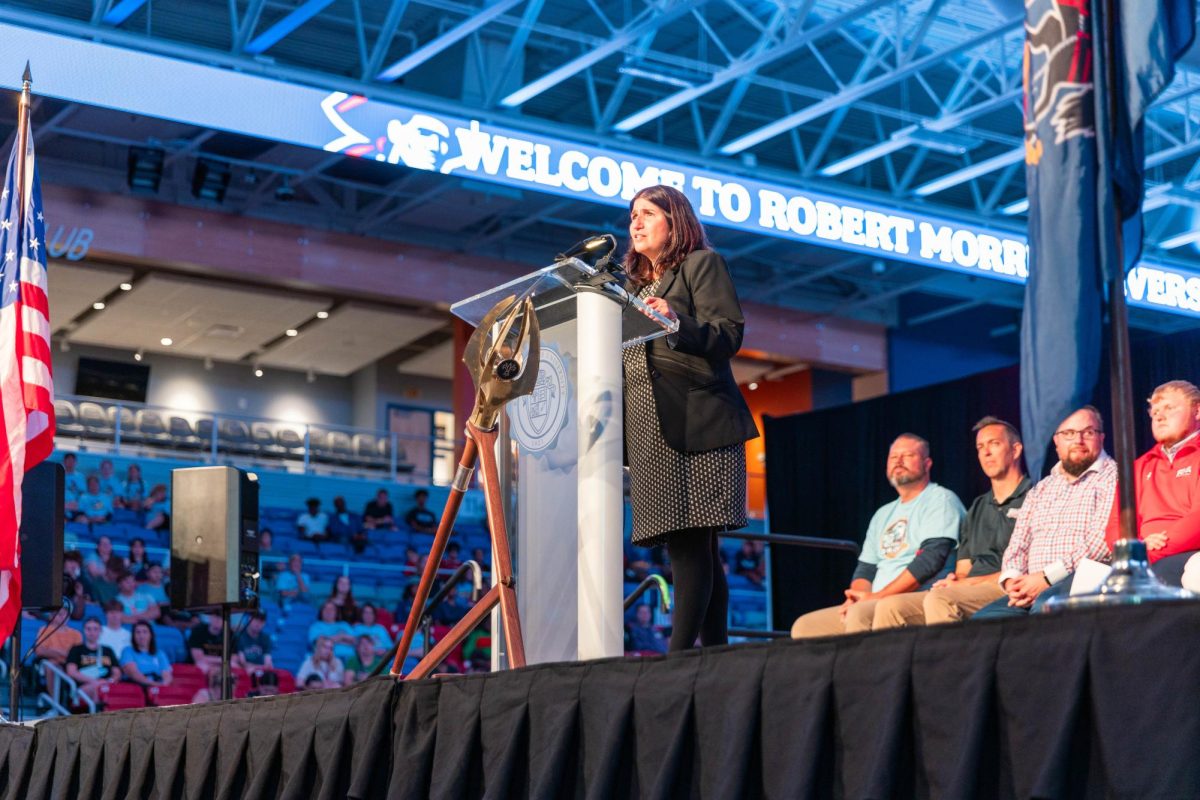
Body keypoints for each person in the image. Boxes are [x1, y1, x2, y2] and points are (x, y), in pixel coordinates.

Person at [620, 185, 759, 652]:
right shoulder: (633, 290)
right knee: (695, 547)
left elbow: (727, 335)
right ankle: (714, 654)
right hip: (648, 431)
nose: (635, 223)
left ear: (674, 221)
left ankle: (678, 657)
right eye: (632, 215)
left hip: (697, 423)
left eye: (647, 214)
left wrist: (676, 319)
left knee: (691, 541)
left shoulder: (701, 265)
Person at [791, 434, 964, 637]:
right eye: (893, 457)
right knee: (805, 627)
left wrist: (877, 597)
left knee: (862, 614)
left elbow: (931, 560)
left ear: (927, 464)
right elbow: (866, 569)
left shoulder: (940, 499)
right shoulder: (883, 513)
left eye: (907, 455)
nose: (898, 461)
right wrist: (857, 598)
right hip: (875, 601)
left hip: (915, 599)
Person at [871, 417, 1032, 627]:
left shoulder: (1035, 496)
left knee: (940, 600)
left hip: (1009, 585)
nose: (986, 452)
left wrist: (970, 582)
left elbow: (1032, 566)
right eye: (980, 447)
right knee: (891, 607)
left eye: (994, 444)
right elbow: (964, 568)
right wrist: (954, 581)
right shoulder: (977, 507)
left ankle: (948, 660)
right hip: (971, 588)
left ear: (1016, 450)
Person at [974, 406, 1118, 619]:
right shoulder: (1042, 488)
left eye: (1087, 432)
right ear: (1057, 442)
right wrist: (1013, 581)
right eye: (1068, 433)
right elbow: (1018, 544)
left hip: (1080, 581)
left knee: (1045, 609)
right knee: (984, 622)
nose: (1078, 440)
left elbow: (1101, 542)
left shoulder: (1114, 477)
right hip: (1029, 587)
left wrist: (1047, 578)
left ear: (1101, 438)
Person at [1116, 380, 1200, 585]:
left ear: (1197, 411)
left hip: (1187, 553)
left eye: (1169, 408)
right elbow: (1117, 523)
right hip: (1141, 555)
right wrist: (1137, 547)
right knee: (1061, 593)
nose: (1159, 417)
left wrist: (1146, 551)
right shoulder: (1137, 466)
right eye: (1154, 412)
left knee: (1156, 579)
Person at [65, 617, 122, 697]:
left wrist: (108, 681)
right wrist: (94, 681)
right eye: (89, 629)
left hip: (106, 685)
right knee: (97, 688)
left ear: (100, 631)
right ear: (84, 630)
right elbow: (71, 672)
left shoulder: (108, 650)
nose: (92, 632)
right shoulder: (76, 649)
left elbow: (117, 673)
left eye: (95, 629)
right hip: (83, 687)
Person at [35, 606, 83, 700]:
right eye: (60, 614)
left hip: (70, 664)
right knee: (51, 665)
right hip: (51, 664)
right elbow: (40, 651)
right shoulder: (45, 630)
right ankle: (55, 702)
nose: (63, 617)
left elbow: (77, 655)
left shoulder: (76, 634)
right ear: (51, 616)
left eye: (66, 614)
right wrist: (64, 653)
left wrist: (54, 651)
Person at [119, 620, 173, 691]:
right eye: (138, 632)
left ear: (151, 635)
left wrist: (163, 685)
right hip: (137, 687)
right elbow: (133, 673)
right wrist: (153, 684)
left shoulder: (159, 653)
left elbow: (166, 674)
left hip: (158, 686)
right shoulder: (127, 651)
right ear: (133, 636)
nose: (141, 636)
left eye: (145, 632)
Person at [62, 452, 83, 516]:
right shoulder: (59, 474)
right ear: (64, 462)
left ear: (76, 463)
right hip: (62, 504)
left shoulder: (80, 477)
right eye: (68, 461)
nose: (70, 463)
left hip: (75, 506)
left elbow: (83, 494)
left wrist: (76, 503)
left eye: (72, 461)